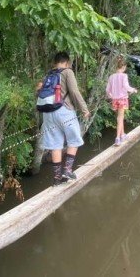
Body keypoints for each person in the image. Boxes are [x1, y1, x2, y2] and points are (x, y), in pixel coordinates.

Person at [39, 52, 90, 186]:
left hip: (48, 113)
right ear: (67, 62)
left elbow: (39, 93)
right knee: (74, 139)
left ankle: (56, 178)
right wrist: (84, 109)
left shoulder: (48, 75)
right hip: (64, 111)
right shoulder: (68, 72)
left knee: (55, 144)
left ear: (54, 63)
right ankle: (67, 170)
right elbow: (74, 91)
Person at [105, 56, 138, 146]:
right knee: (120, 118)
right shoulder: (124, 76)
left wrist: (111, 96)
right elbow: (126, 87)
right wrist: (133, 90)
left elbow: (108, 90)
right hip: (122, 100)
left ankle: (123, 135)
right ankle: (117, 138)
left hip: (115, 100)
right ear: (123, 67)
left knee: (120, 118)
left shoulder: (111, 77)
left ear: (116, 67)